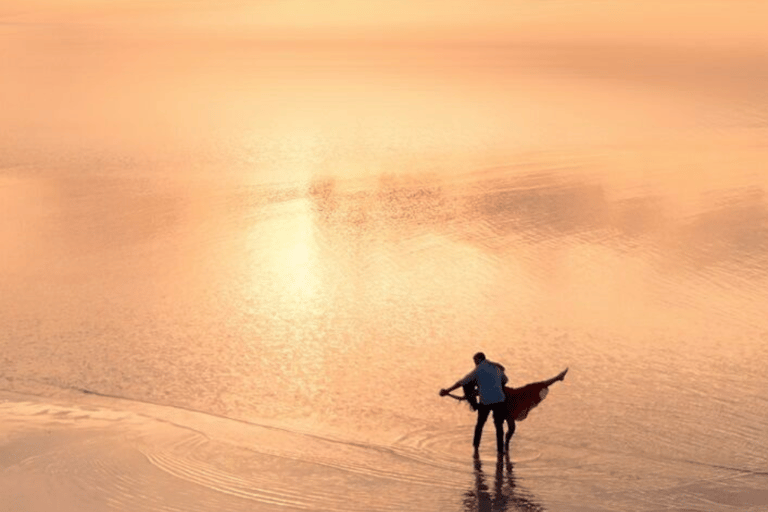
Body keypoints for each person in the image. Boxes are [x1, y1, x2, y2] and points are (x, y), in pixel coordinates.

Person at [440, 352, 509, 454]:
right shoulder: (496, 368)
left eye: (474, 361)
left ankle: (475, 448)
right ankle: (500, 450)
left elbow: (462, 382)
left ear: (478, 360)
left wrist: (447, 391)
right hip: (499, 400)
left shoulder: (478, 370)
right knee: (499, 426)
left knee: (480, 425)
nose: (474, 364)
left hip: (486, 401)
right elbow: (505, 380)